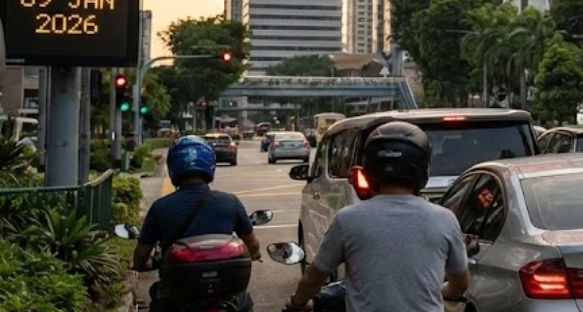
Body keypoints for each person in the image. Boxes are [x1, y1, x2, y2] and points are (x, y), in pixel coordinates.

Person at [285, 121, 471, 312]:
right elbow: (460, 282)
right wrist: (442, 292)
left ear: (369, 169)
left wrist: (296, 303)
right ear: (424, 169)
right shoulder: (445, 219)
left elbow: (313, 278)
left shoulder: (347, 219)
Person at [132, 135, 261, 311]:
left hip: (179, 292)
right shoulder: (230, 201)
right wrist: (253, 255)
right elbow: (252, 244)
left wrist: (139, 266)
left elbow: (141, 253)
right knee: (243, 301)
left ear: (173, 167)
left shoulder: (160, 207)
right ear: (210, 165)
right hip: (225, 292)